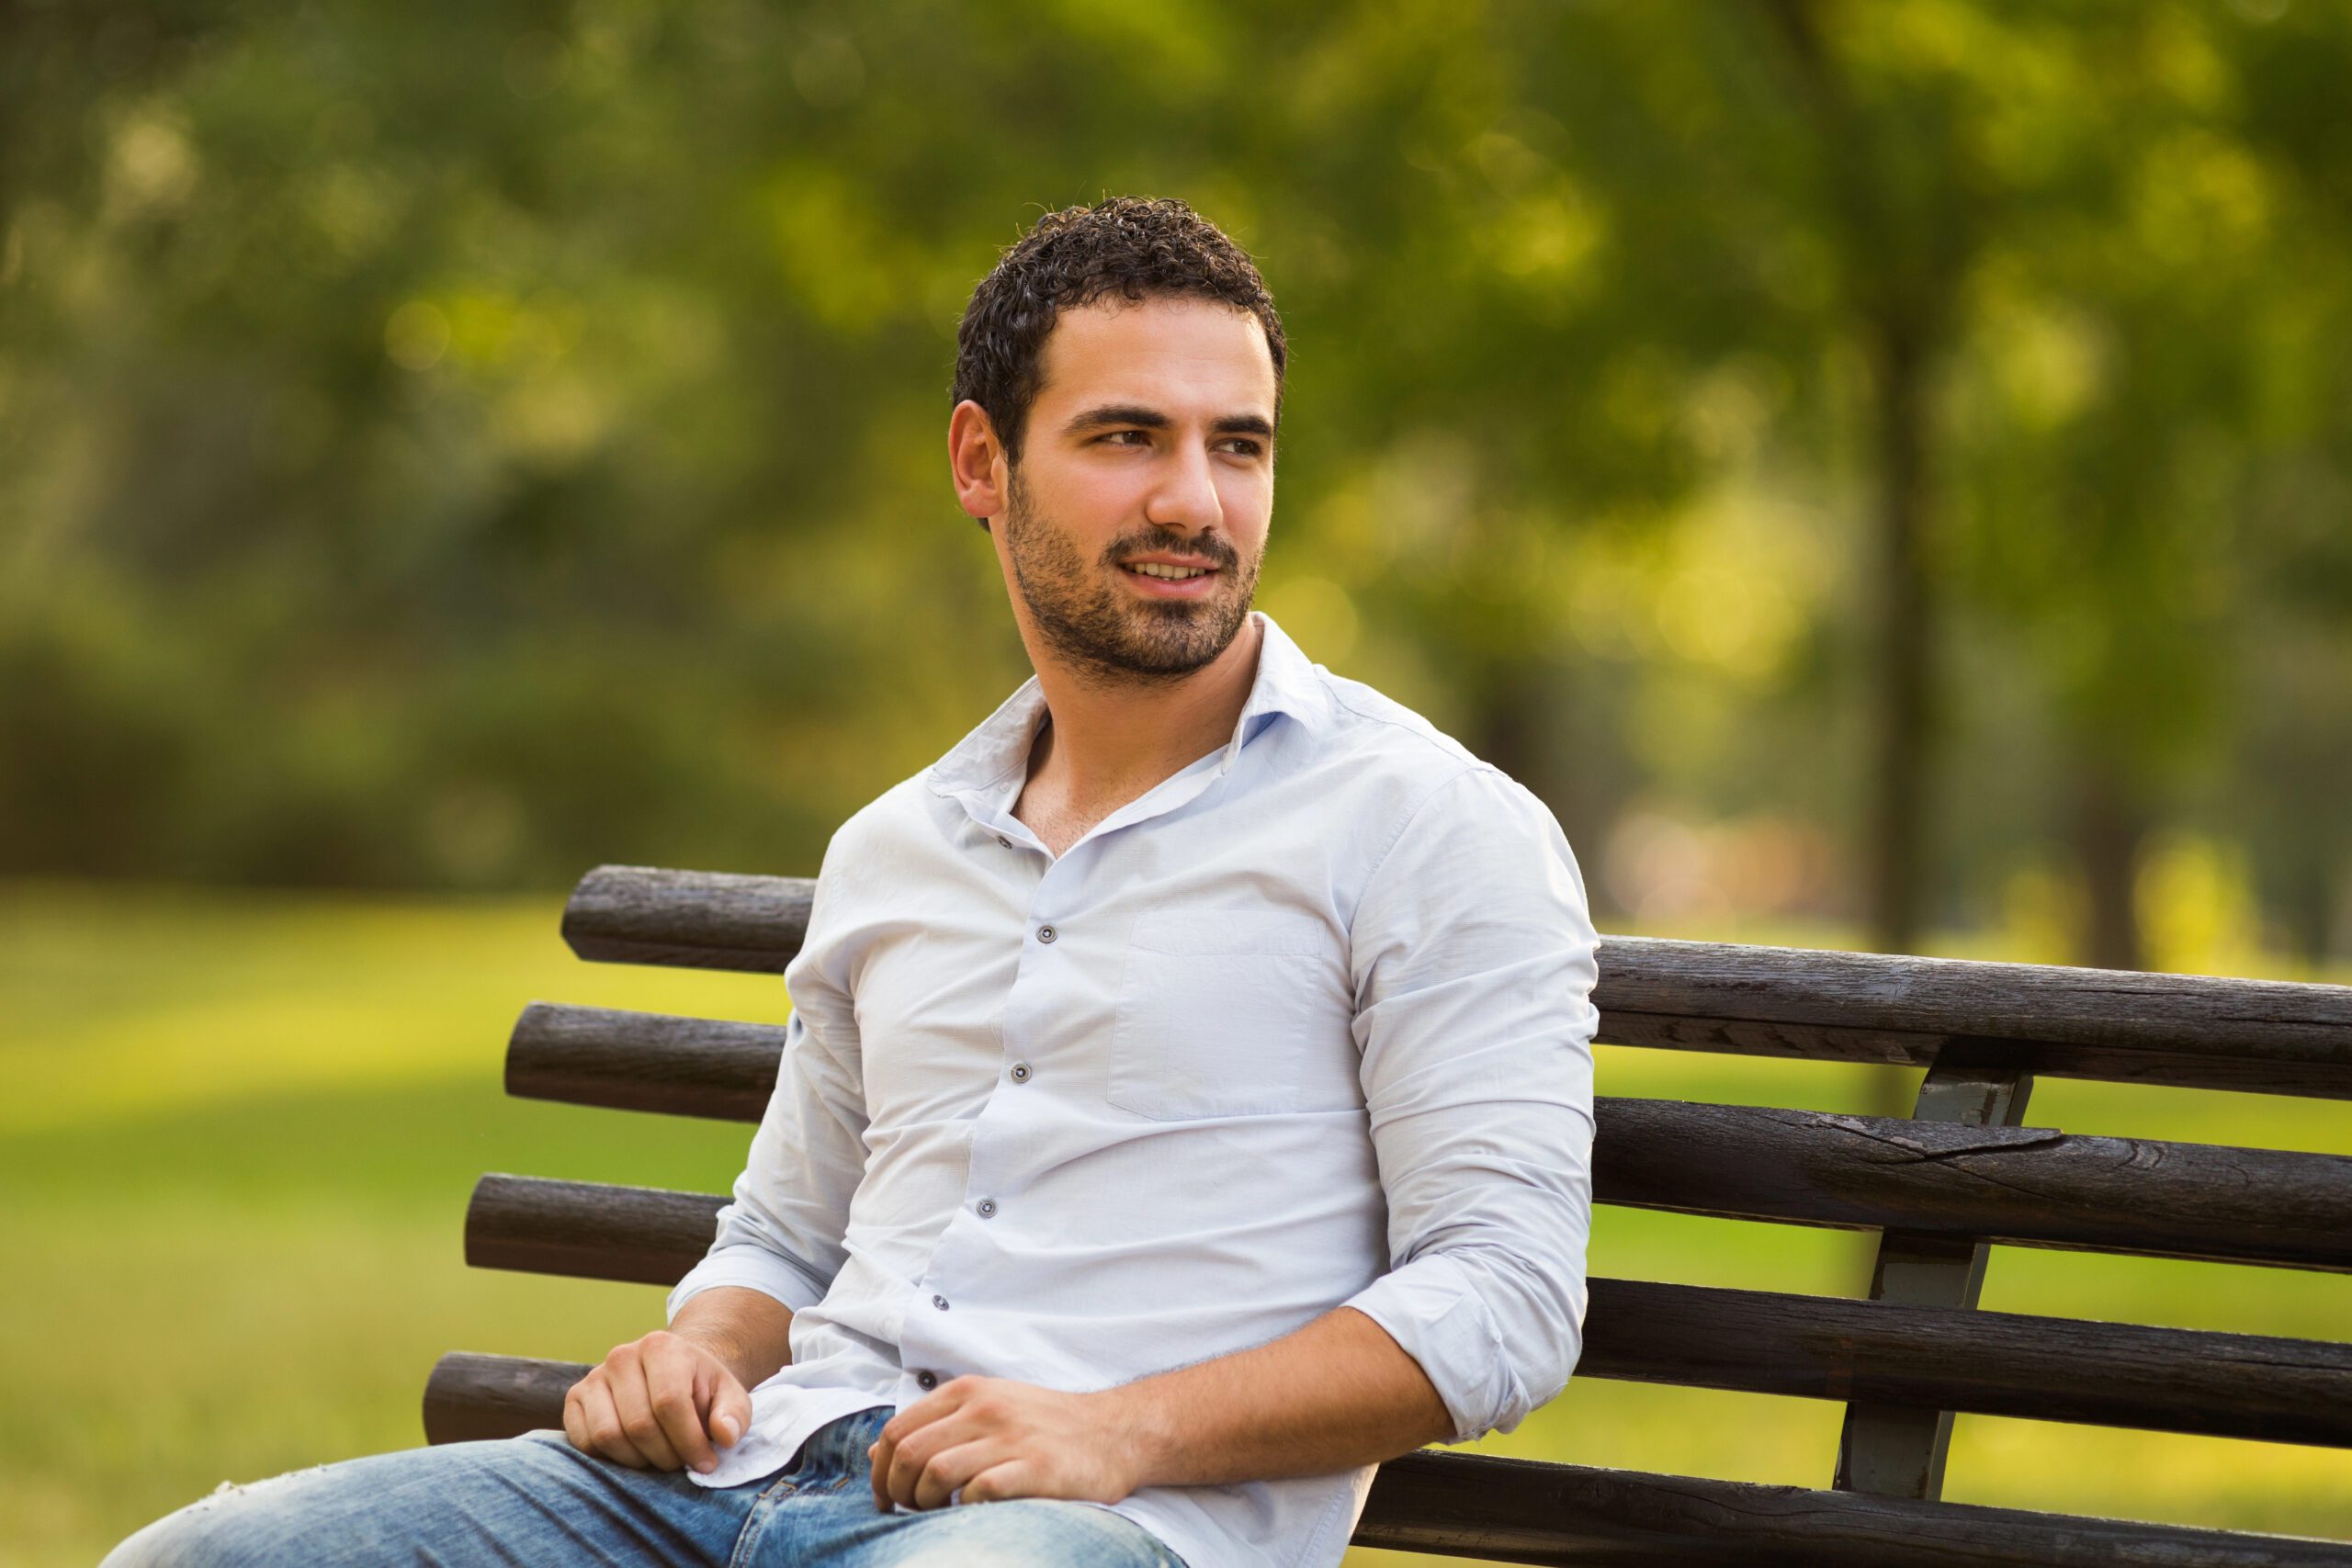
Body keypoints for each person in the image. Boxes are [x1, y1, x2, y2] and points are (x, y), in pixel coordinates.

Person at [103, 196, 1600, 1568]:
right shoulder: (898, 847)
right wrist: (700, 1351)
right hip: (725, 1484)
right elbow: (783, 1236)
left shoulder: (1429, 828)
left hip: (1099, 1527)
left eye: (1241, 445)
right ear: (979, 461)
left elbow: (1505, 1299)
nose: (1195, 503)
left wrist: (1114, 1428)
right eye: (1127, 437)